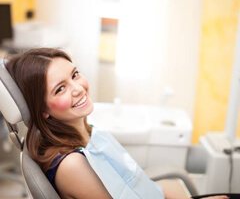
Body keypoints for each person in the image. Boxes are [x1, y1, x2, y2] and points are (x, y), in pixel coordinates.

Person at [5, 48, 228, 199]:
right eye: (60, 88)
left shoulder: (87, 133)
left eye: (75, 75)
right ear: (42, 110)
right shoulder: (71, 165)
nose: (78, 88)